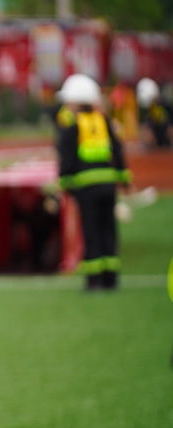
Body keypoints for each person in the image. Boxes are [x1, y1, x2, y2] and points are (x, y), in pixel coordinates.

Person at [56, 73, 133, 291]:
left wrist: (64, 182)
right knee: (109, 230)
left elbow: (67, 156)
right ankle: (111, 278)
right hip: (108, 186)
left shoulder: (73, 125)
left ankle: (95, 281)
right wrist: (124, 177)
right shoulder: (104, 121)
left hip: (87, 188)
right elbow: (117, 150)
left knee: (91, 232)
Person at [135, 77, 171, 149]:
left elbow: (169, 130)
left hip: (165, 146)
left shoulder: (165, 106)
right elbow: (145, 129)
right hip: (155, 148)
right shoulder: (145, 109)